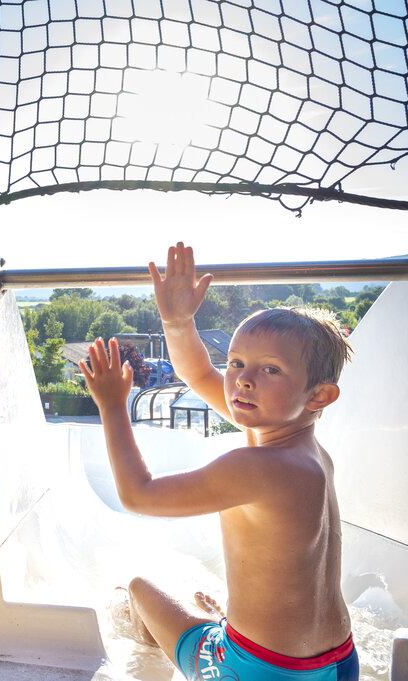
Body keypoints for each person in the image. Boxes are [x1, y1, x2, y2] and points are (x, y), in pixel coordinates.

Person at [78, 242, 357, 681]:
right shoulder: (309, 452)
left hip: (257, 670)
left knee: (134, 590)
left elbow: (137, 495)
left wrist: (114, 405)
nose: (242, 380)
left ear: (318, 395)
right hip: (339, 662)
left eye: (270, 371)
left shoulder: (256, 466)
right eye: (237, 362)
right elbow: (200, 375)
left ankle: (209, 635)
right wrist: (177, 321)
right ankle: (216, 626)